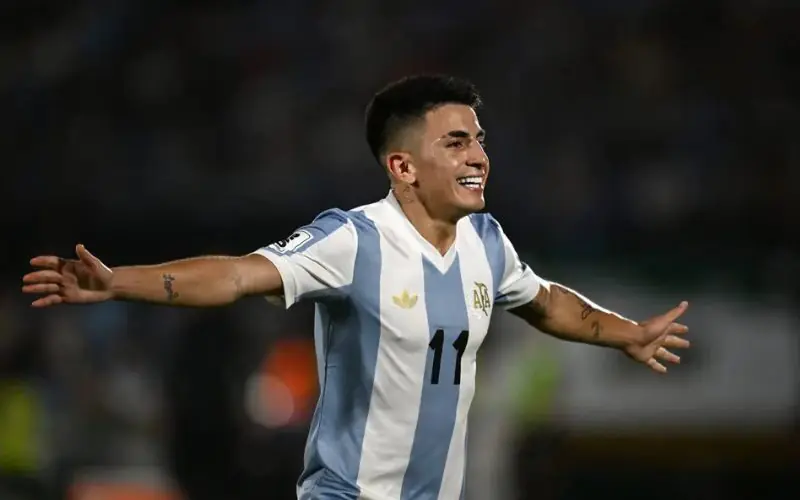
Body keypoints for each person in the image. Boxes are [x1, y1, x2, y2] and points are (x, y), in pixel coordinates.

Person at [22, 75, 690, 500]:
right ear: (403, 166)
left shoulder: (487, 242)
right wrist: (120, 283)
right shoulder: (353, 239)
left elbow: (546, 303)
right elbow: (237, 273)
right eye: (456, 143)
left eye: (479, 141)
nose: (478, 157)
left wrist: (628, 333)